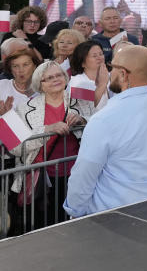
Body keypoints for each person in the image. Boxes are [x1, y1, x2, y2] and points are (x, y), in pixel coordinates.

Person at [63, 45, 147, 217]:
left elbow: (84, 173)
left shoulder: (104, 119)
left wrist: (74, 210)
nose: (109, 72)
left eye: (112, 67)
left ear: (123, 74)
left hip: (114, 212)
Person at [10, 61, 91, 230]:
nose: (56, 79)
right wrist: (47, 130)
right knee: (46, 225)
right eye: (49, 78)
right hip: (43, 179)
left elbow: (99, 124)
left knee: (76, 224)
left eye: (59, 75)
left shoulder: (80, 99)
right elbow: (14, 147)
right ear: (40, 84)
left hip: (77, 174)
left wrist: (83, 121)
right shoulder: (24, 108)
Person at [68, 40, 110, 115]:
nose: (99, 58)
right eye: (94, 56)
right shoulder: (77, 83)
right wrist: (102, 84)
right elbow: (88, 112)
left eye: (101, 54)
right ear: (82, 63)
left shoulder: (112, 76)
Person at [0, 48, 42, 114]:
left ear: (34, 66)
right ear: (10, 69)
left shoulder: (45, 88)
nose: (21, 70)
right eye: (15, 66)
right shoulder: (2, 86)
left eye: (25, 65)